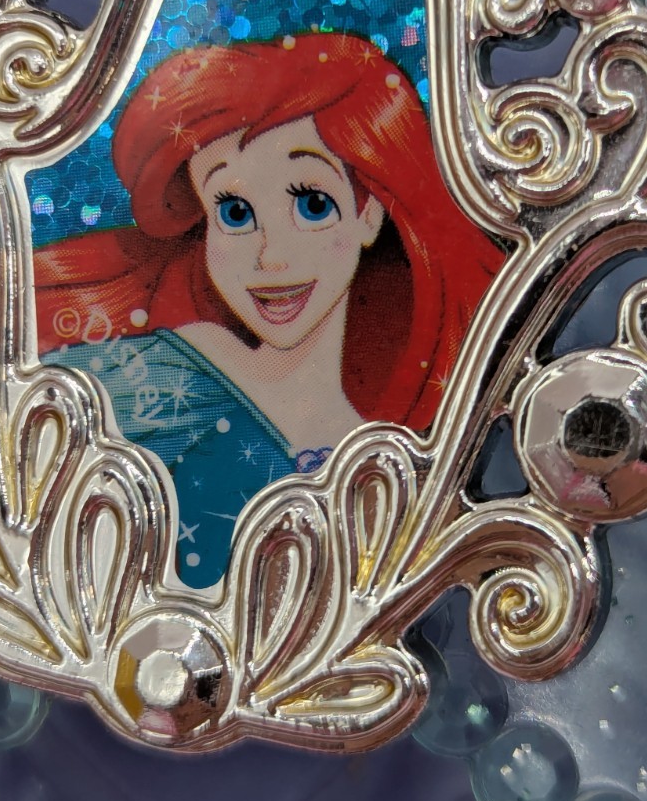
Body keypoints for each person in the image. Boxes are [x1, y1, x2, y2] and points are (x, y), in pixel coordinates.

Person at [34, 33, 503, 587]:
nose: (271, 257)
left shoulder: (384, 467)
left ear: (369, 214)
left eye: (313, 205)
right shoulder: (157, 373)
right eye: (234, 212)